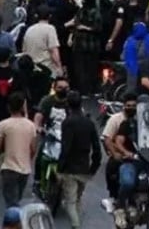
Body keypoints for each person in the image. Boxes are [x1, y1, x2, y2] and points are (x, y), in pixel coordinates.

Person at [57, 92, 102, 229]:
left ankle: (76, 226)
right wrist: (94, 167)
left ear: (67, 105)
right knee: (77, 199)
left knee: (70, 202)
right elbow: (97, 148)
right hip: (84, 168)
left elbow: (66, 147)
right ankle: (77, 223)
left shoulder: (68, 123)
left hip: (70, 168)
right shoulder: (89, 123)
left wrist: (60, 168)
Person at [0, 93, 36, 207]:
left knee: (10, 202)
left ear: (8, 107)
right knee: (17, 199)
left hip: (8, 168)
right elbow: (33, 149)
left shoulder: (2, 125)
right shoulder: (31, 125)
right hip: (25, 169)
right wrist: (27, 159)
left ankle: (13, 223)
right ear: (23, 107)